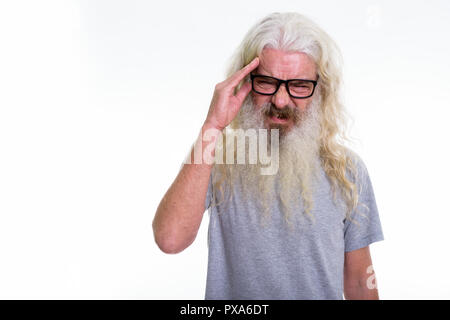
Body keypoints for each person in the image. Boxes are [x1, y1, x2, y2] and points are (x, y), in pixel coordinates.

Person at [152, 12, 384, 300]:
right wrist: (212, 126)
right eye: (266, 82)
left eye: (299, 85)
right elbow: (170, 239)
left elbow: (361, 282)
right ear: (245, 82)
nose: (281, 100)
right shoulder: (217, 159)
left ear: (319, 89)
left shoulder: (347, 170)